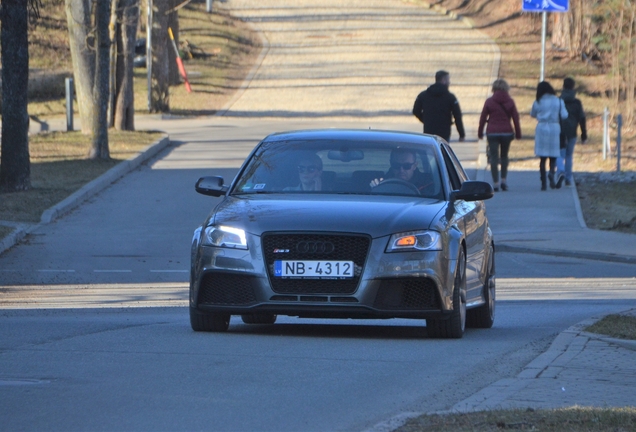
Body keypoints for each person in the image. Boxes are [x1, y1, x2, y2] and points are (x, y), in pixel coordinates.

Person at [478, 78, 522, 192]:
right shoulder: (510, 101)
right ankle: (503, 180)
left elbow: (483, 118)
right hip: (507, 132)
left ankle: (495, 183)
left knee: (493, 157)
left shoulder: (489, 101)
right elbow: (515, 118)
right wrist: (518, 133)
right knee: (504, 156)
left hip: (492, 132)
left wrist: (480, 132)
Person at [531, 81, 569, 191]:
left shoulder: (538, 101)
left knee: (542, 157)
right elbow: (564, 115)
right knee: (553, 155)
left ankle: (543, 183)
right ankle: (552, 172)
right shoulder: (558, 101)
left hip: (542, 128)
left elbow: (532, 114)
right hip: (554, 128)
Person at [412, 70, 466, 142]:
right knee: (442, 151)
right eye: (448, 80)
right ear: (443, 80)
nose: (449, 82)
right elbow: (457, 116)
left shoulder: (423, 95)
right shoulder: (450, 97)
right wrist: (461, 134)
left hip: (429, 131)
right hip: (444, 132)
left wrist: (426, 120)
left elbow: (416, 110)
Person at [557, 77, 587, 187]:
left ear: (563, 87)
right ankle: (568, 178)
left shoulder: (559, 100)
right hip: (572, 131)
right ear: (573, 87)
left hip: (560, 131)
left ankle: (560, 172)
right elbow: (582, 118)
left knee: (560, 154)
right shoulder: (577, 103)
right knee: (569, 155)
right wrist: (584, 134)